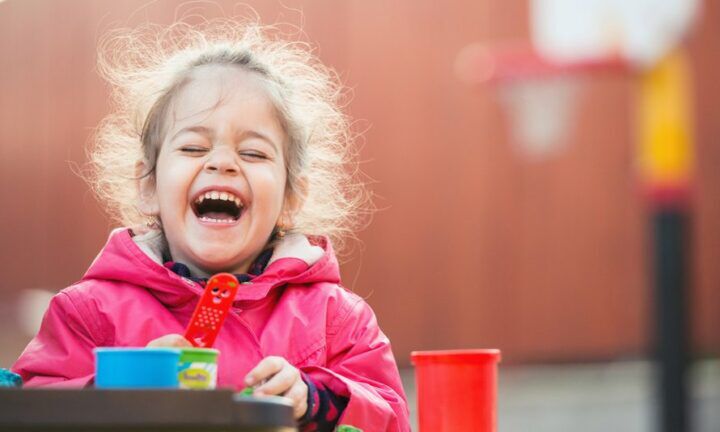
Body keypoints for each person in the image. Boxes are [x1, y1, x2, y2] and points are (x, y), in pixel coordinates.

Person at [12, 18, 410, 431]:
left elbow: (392, 416)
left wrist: (315, 399)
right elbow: (31, 409)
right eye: (194, 146)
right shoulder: (89, 311)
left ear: (291, 198)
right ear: (148, 185)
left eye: (254, 153)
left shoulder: (335, 318)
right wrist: (117, 392)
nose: (221, 162)